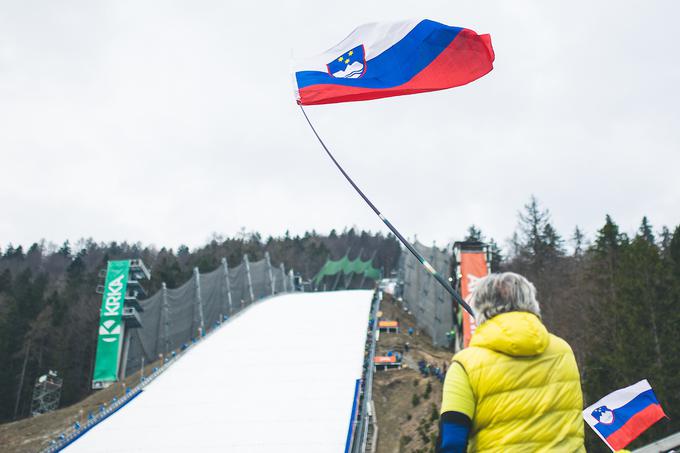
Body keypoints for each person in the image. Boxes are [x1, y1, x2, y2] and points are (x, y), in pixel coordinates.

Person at [437, 272, 584, 452]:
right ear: (531, 302)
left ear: (480, 307)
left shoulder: (465, 365)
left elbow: (452, 442)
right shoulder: (563, 351)